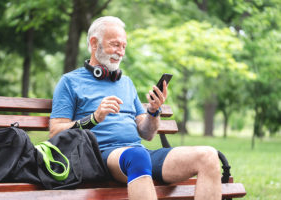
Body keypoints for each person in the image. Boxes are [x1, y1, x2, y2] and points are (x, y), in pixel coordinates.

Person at [49, 16, 221, 200]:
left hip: (137, 155)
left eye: (123, 46)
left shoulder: (126, 83)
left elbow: (147, 133)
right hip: (101, 157)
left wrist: (154, 111)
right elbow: (55, 132)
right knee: (137, 156)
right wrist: (94, 118)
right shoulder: (70, 82)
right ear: (94, 43)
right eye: (115, 45)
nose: (120, 52)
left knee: (208, 156)